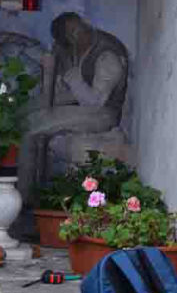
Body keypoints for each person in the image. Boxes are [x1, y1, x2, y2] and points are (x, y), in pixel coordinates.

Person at [18, 12, 128, 198]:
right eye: (72, 32)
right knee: (23, 114)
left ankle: (24, 196)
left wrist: (71, 74)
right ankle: (30, 190)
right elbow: (61, 92)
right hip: (81, 106)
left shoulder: (107, 53)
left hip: (103, 113)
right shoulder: (72, 49)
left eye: (79, 27)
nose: (79, 32)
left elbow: (95, 103)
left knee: (31, 126)